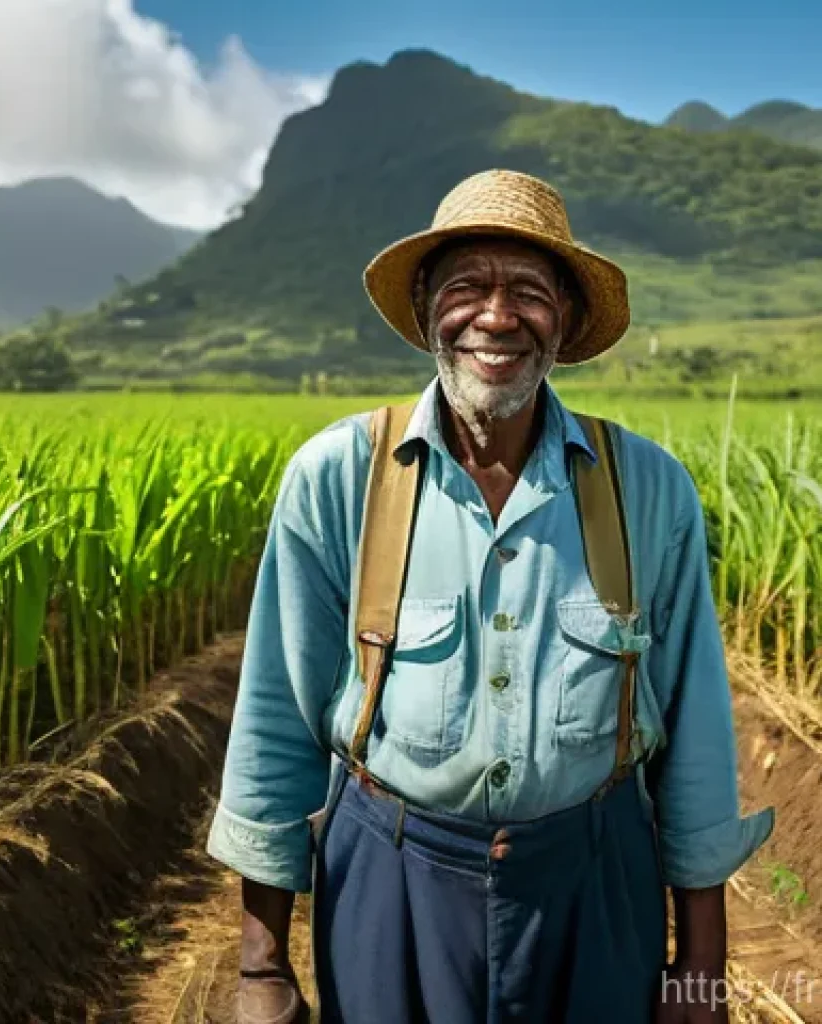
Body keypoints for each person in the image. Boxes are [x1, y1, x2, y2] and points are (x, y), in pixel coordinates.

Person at [207, 168, 775, 1023]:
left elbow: (693, 732)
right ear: (428, 308)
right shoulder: (341, 477)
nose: (498, 316)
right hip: (391, 874)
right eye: (468, 286)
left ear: (568, 321)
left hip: (594, 880)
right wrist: (261, 969)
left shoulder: (647, 489)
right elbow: (276, 721)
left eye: (530, 293)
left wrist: (700, 965)